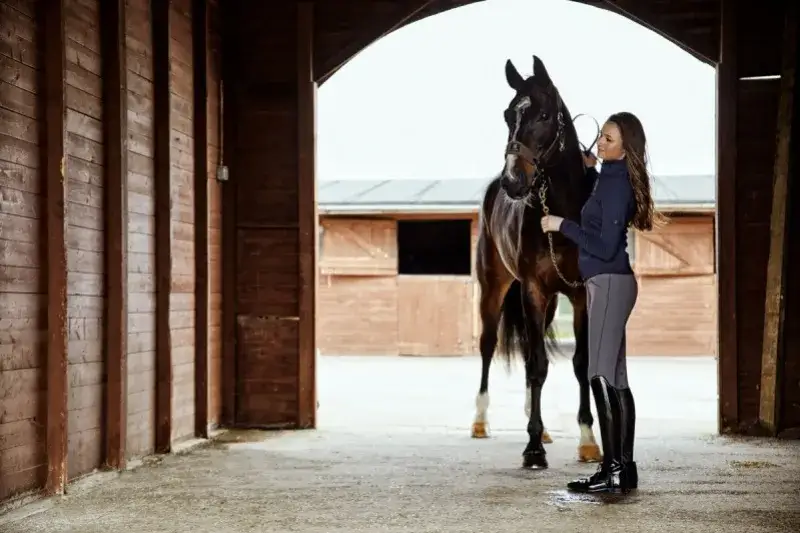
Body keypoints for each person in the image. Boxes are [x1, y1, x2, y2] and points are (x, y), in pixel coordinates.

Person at [540, 111, 665, 494]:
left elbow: (605, 246)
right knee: (617, 379)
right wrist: (593, 168)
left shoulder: (617, 186)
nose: (600, 143)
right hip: (608, 283)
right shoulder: (609, 177)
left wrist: (560, 225)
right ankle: (623, 470)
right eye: (601, 137)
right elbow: (601, 211)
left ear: (626, 148)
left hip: (609, 282)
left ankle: (611, 470)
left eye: (609, 139)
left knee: (599, 375)